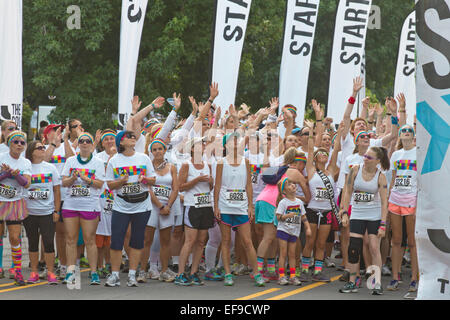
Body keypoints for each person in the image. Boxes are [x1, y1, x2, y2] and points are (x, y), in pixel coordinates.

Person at [104, 131, 156, 287]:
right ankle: (114, 275)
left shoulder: (144, 158)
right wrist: (121, 181)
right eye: (129, 137)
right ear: (121, 142)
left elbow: (153, 179)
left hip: (142, 204)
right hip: (121, 205)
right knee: (116, 240)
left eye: (134, 137)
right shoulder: (114, 160)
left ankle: (132, 275)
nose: (133, 138)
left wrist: (145, 179)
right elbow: (109, 184)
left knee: (137, 240)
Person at [214, 132, 265, 287]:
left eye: (236, 139)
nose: (234, 142)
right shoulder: (221, 162)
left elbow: (248, 185)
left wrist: (250, 206)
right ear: (225, 146)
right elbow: (217, 185)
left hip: (241, 206)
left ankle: (257, 274)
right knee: (226, 240)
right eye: (231, 140)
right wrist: (216, 206)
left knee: (247, 241)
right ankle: (228, 273)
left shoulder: (246, 161)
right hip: (225, 205)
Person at [339, 147, 390, 295]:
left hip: (374, 215)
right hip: (357, 213)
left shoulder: (380, 176)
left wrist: (383, 224)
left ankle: (377, 283)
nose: (366, 158)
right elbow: (347, 191)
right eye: (366, 156)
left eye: (369, 157)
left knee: (374, 247)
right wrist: (344, 212)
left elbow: (384, 202)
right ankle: (352, 282)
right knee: (354, 248)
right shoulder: (355, 170)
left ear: (377, 161)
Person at [61, 132, 105, 286]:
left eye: (88, 141)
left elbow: (100, 184)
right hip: (71, 205)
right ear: (78, 144)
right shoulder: (71, 161)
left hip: (90, 205)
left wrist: (87, 179)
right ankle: (70, 272)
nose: (85, 143)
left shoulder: (98, 162)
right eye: (82, 141)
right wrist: (72, 178)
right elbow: (63, 183)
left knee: (89, 240)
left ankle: (94, 273)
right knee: (71, 240)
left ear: (92, 144)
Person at [300, 122, 340, 283]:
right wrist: (310, 132)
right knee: (310, 241)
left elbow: (335, 150)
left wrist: (340, 133)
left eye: (325, 153)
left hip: (327, 212)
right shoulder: (311, 170)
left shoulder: (330, 170)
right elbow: (310, 149)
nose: (324, 153)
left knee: (322, 243)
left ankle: (317, 271)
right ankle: (303, 270)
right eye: (320, 153)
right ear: (315, 158)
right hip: (312, 210)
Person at [138, 138, 179, 283]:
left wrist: (168, 205)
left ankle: (163, 271)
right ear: (151, 152)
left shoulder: (172, 167)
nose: (157, 152)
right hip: (152, 207)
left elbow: (175, 188)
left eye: (159, 149)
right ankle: (143, 271)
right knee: (147, 239)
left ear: (164, 150)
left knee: (165, 241)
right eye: (154, 150)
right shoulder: (147, 167)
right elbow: (147, 188)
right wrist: (160, 206)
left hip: (168, 207)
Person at [175, 137, 215, 286]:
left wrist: (210, 183)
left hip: (205, 205)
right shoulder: (187, 165)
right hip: (192, 205)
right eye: (199, 144)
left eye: (203, 144)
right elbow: (180, 187)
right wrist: (196, 181)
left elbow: (210, 187)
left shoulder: (207, 165)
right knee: (190, 241)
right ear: (192, 148)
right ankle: (180, 273)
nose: (202, 146)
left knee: (200, 242)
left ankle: (193, 272)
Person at [387, 124, 418, 296]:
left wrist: (419, 202)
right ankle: (395, 276)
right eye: (403, 131)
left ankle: (414, 277)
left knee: (412, 242)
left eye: (409, 131)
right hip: (395, 199)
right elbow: (393, 179)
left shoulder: (417, 153)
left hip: (411, 198)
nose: (406, 132)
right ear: (399, 135)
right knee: (396, 240)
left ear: (413, 136)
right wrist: (389, 199)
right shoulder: (396, 155)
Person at [24, 141, 61, 285]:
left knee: (48, 242)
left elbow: (57, 190)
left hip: (47, 212)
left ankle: (50, 272)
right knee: (32, 242)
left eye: (43, 147)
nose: (42, 149)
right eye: (39, 148)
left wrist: (57, 210)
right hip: (30, 213)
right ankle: (34, 272)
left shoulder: (51, 168)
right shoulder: (26, 167)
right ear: (32, 151)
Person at [0, 131, 31, 285]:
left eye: (22, 143)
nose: (19, 145)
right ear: (9, 143)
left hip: (15, 202)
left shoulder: (25, 163)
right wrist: (5, 174)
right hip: (0, 200)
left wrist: (17, 175)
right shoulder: (1, 158)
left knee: (14, 237)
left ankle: (17, 271)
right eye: (16, 142)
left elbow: (27, 183)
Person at [275, 177, 311, 286]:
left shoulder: (299, 202)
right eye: (289, 184)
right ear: (284, 191)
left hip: (294, 231)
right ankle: (281, 276)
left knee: (292, 254)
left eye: (293, 183)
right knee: (283, 253)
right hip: (283, 230)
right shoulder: (283, 202)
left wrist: (308, 227)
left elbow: (303, 216)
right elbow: (278, 217)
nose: (292, 185)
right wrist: (287, 216)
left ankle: (292, 276)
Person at [95, 129, 117, 278]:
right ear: (102, 143)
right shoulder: (97, 157)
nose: (109, 141)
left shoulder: (121, 157)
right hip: (99, 198)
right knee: (99, 237)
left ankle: (109, 264)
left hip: (115, 198)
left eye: (112, 138)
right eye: (106, 139)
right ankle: (99, 265)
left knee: (111, 236)